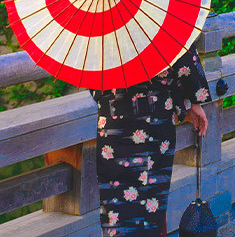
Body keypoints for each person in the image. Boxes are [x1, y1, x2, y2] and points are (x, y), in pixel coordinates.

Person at [91, 44, 214, 237]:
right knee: (151, 195)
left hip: (112, 120)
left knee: (115, 198)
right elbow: (184, 58)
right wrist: (195, 101)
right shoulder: (156, 19)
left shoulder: (97, 29)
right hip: (153, 118)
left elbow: (91, 79)